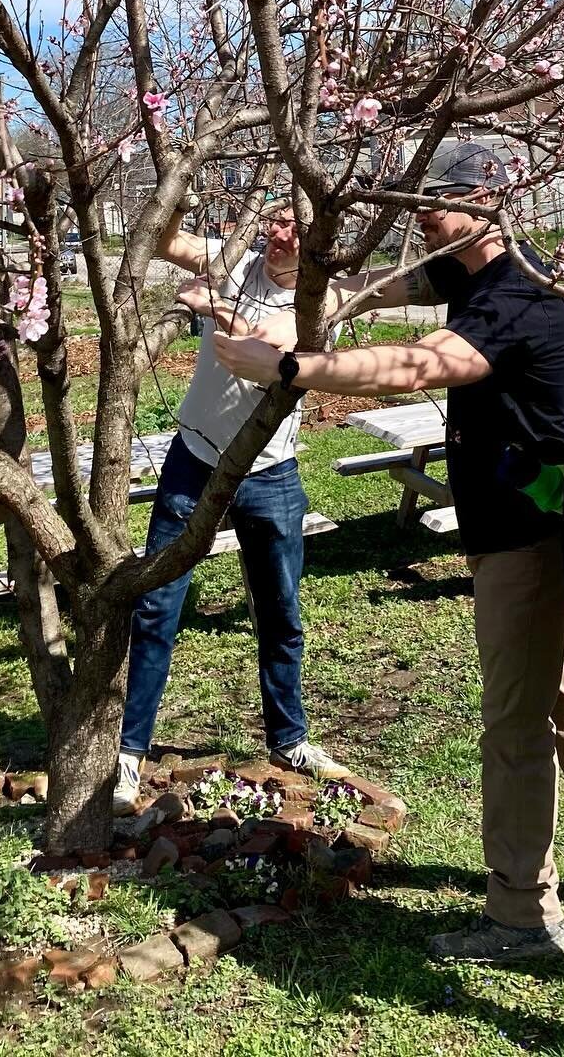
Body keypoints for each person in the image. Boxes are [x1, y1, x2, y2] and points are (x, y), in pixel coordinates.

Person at [214, 141, 564, 962]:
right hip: (530, 520)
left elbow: (426, 364)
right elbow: (371, 290)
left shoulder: (518, 290)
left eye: (443, 198)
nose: (425, 211)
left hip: (527, 535)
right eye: (419, 198)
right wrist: (293, 281)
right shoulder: (465, 269)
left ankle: (522, 917)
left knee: (514, 727)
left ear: (494, 197)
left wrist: (290, 365)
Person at [113, 197, 348, 814]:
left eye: (296, 229)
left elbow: (266, 347)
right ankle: (129, 752)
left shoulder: (323, 302)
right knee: (157, 605)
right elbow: (165, 239)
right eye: (275, 221)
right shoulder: (236, 261)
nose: (280, 237)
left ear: (321, 237)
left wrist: (209, 304)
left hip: (271, 473)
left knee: (279, 609)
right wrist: (177, 197)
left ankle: (289, 739)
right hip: (195, 460)